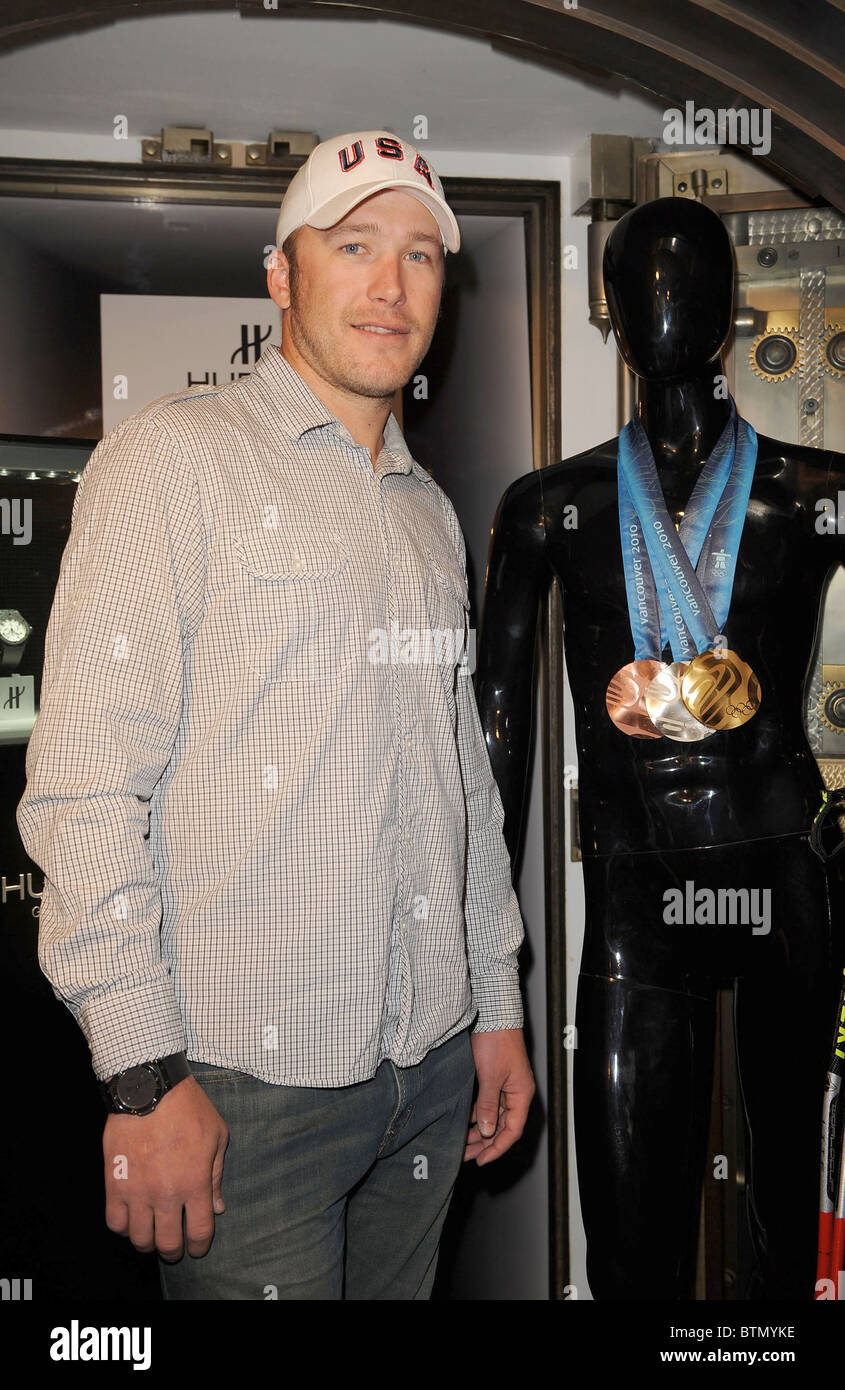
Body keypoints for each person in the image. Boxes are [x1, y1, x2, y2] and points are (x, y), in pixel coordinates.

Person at [16, 129, 535, 1300]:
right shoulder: (169, 461)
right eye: (352, 245)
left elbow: (458, 780)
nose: (390, 284)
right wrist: (142, 1078)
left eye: (418, 255)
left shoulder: (427, 512)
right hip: (247, 1089)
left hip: (430, 1066)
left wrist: (493, 1004)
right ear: (280, 274)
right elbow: (85, 785)